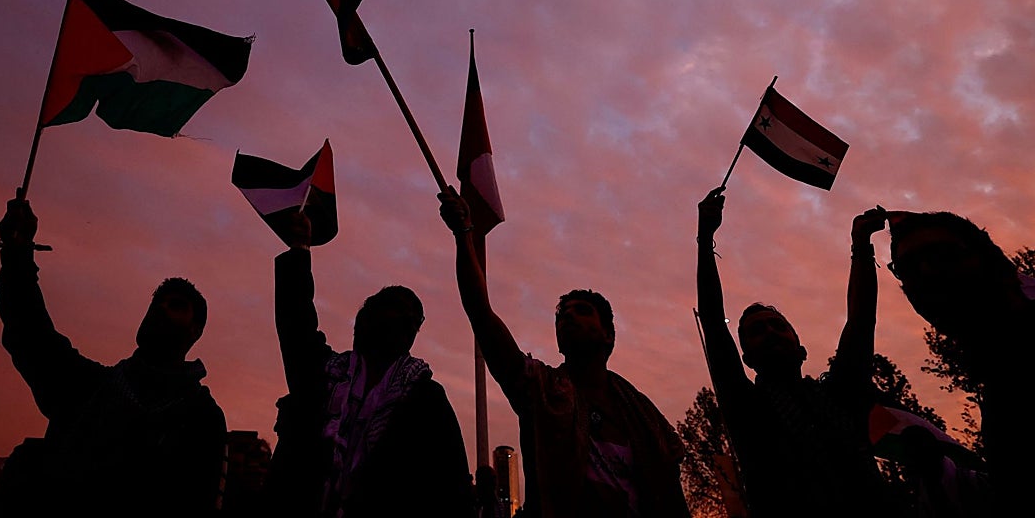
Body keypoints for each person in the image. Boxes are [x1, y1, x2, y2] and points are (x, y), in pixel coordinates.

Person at [439, 189, 689, 518]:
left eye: (581, 311)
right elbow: (481, 315)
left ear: (609, 335)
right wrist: (463, 234)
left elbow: (669, 489)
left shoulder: (642, 413)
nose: (568, 317)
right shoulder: (538, 388)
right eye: (562, 315)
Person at [0, 195, 226, 516]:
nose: (160, 309)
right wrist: (17, 251)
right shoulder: (89, 387)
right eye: (156, 303)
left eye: (175, 305)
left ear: (196, 330)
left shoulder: (202, 417)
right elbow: (31, 333)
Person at [694, 187, 894, 517]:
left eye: (777, 326)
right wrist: (704, 240)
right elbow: (713, 323)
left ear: (801, 348)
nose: (770, 333)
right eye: (757, 331)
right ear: (746, 359)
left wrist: (861, 245)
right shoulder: (747, 408)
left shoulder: (839, 394)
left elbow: (861, 322)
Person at [269, 209, 474, 518]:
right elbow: (295, 322)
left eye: (410, 320)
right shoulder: (323, 374)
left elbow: (452, 489)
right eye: (393, 311)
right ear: (364, 321)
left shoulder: (426, 399)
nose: (402, 322)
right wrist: (299, 248)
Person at [888, 210, 1035, 515]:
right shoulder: (1001, 376)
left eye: (942, 255)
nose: (926, 273)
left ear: (991, 259)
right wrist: (938, 474)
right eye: (908, 268)